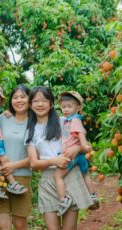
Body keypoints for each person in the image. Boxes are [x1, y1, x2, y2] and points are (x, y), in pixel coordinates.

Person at [26, 86, 94, 229]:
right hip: (47, 180)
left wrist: (77, 148)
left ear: (51, 104)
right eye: (35, 101)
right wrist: (53, 161)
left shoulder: (65, 122)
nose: (40, 104)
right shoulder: (30, 130)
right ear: (30, 105)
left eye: (44, 100)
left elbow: (85, 146)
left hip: (69, 174)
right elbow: (33, 163)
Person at [0, 85, 32, 230]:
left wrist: (13, 166)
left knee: (20, 225)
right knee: (3, 225)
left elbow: (37, 157)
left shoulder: (34, 123)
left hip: (20, 177)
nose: (19, 100)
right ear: (10, 101)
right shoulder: (2, 119)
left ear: (30, 99)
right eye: (15, 97)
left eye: (23, 96)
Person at [54, 91, 99, 216]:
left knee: (58, 176)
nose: (66, 109)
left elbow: (80, 133)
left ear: (78, 107)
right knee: (85, 174)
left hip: (73, 155)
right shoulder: (68, 120)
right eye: (63, 107)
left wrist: (84, 146)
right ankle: (92, 195)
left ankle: (63, 199)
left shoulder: (74, 120)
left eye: (69, 106)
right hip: (80, 156)